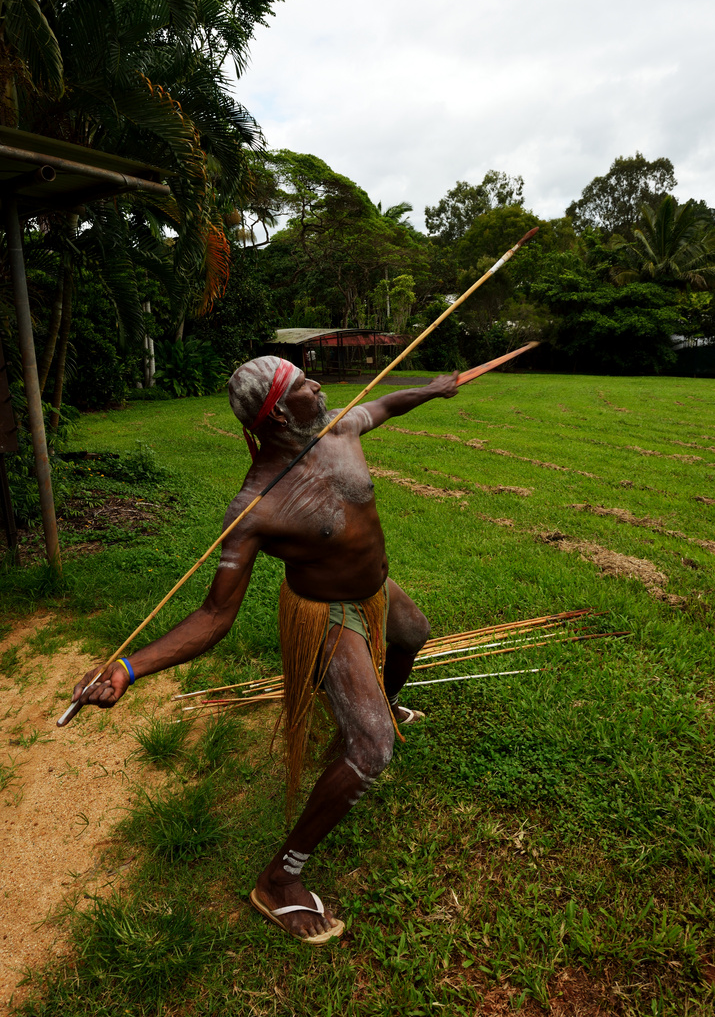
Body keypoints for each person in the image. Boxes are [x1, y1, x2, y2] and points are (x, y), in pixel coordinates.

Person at [72, 356, 459, 944]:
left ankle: (376, 702)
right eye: (306, 383)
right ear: (278, 412)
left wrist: (430, 390)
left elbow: (383, 406)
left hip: (377, 587)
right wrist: (129, 667)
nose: (319, 385)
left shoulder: (336, 429)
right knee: (373, 748)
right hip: (326, 614)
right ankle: (280, 878)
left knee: (413, 635)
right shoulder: (256, 509)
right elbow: (213, 615)